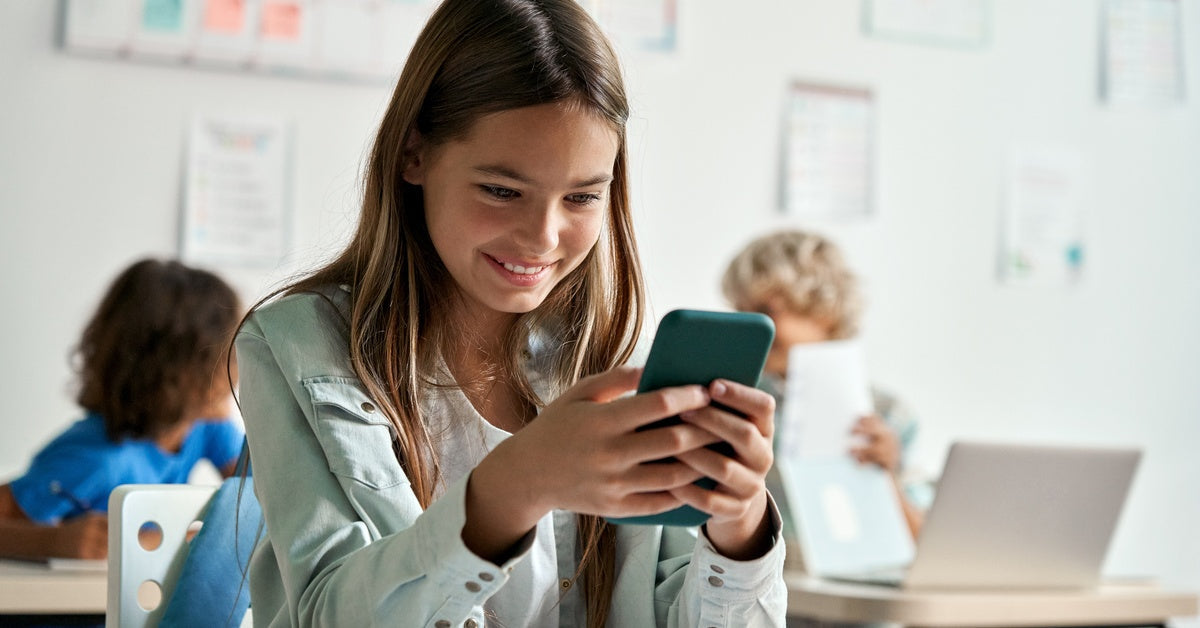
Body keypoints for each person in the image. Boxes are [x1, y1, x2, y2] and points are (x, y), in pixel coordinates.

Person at [234, 0, 787, 626]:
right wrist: (514, 486)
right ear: (414, 153)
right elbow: (328, 613)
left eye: (581, 197)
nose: (544, 237)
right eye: (501, 190)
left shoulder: (613, 366)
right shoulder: (297, 346)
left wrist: (740, 528)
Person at [0, 258, 246, 561]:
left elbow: (260, 502)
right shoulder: (96, 459)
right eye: (227, 353)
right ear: (175, 374)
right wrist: (52, 542)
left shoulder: (206, 427)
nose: (239, 363)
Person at [721, 229, 928, 538]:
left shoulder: (888, 415)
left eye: (765, 311)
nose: (749, 325)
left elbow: (922, 539)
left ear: (825, 312)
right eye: (740, 311)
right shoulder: (734, 400)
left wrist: (888, 475)